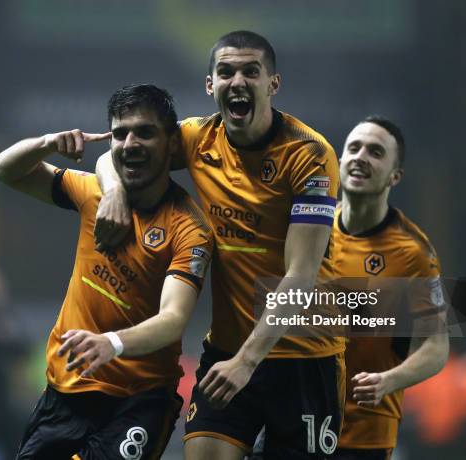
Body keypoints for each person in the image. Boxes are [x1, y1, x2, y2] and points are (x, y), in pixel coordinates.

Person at [95, 31, 345, 459]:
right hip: (227, 351)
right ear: (210, 85)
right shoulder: (197, 139)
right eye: (226, 72)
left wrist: (248, 363)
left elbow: (300, 275)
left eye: (251, 71)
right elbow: (116, 152)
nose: (238, 81)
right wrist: (114, 191)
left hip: (305, 355)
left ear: (273, 84)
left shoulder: (310, 155)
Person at [0, 84, 214, 459]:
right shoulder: (94, 192)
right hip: (65, 392)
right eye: (121, 133)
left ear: (171, 143)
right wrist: (48, 142)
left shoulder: (190, 228)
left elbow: (174, 318)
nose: (130, 143)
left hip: (139, 401)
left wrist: (111, 343)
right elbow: (5, 170)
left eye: (145, 132)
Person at [328, 116, 449, 459]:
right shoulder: (311, 231)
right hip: (297, 421)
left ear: (395, 176)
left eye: (376, 152)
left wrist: (389, 381)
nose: (361, 156)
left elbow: (436, 346)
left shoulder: (412, 252)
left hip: (364, 432)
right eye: (354, 148)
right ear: (340, 160)